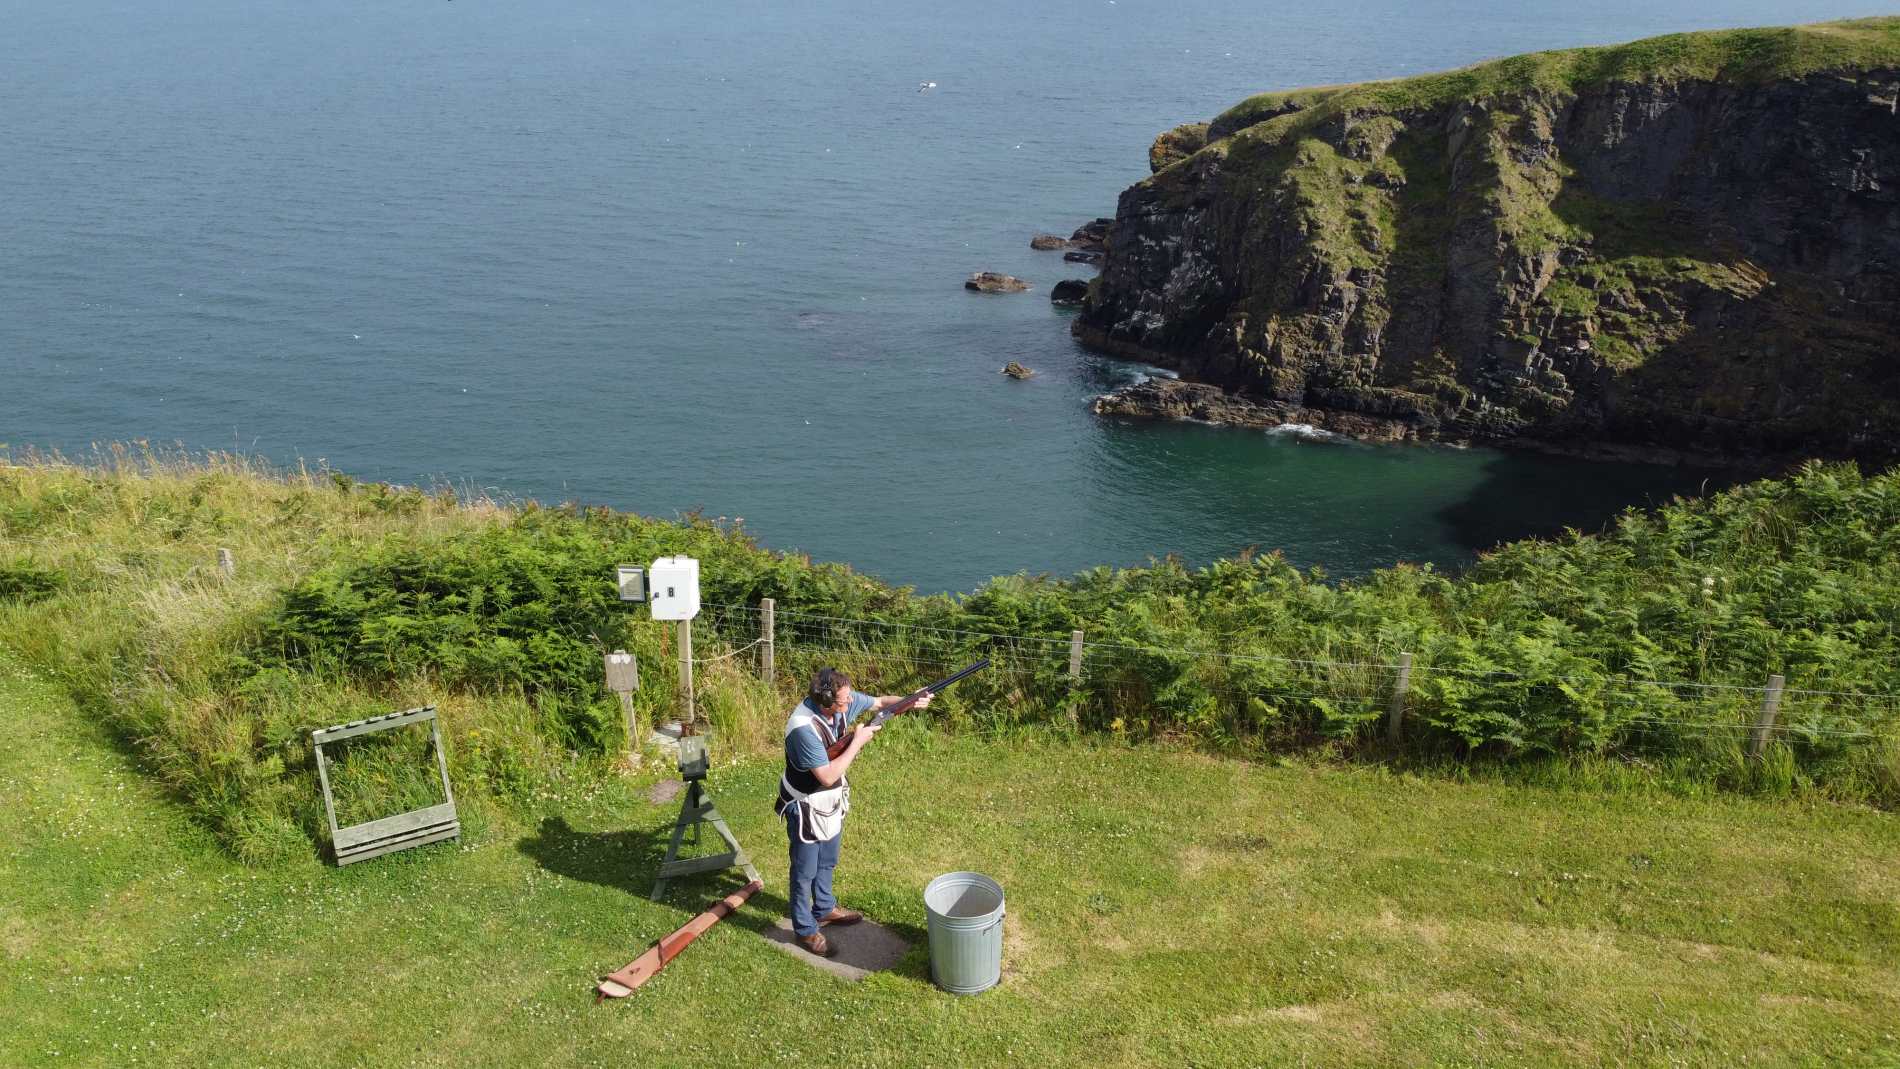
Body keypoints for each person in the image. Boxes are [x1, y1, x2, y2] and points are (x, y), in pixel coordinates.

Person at [774, 666, 931, 957]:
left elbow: (883, 702)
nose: (850, 703)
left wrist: (912, 699)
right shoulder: (802, 729)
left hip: (830, 802)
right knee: (804, 872)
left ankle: (824, 908)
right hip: (805, 805)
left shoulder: (842, 697)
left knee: (828, 860)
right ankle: (805, 930)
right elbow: (827, 776)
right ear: (825, 700)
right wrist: (857, 742)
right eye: (844, 701)